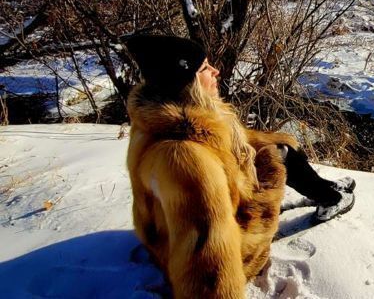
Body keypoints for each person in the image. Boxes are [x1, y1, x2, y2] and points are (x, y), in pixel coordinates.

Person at [124, 34, 354, 299]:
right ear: (186, 83)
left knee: (275, 147)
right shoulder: (186, 160)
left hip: (165, 239)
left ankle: (325, 189)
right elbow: (209, 269)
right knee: (277, 158)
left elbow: (226, 145)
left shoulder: (159, 121)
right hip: (230, 255)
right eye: (204, 69)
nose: (215, 71)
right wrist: (268, 179)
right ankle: (332, 198)